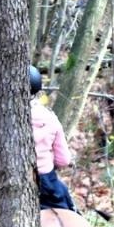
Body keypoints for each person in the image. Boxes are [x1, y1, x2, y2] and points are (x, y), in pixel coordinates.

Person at [31, 65, 76, 211]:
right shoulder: (50, 118)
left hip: (14, 180)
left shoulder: (5, 117)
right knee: (69, 208)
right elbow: (63, 160)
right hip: (46, 183)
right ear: (39, 91)